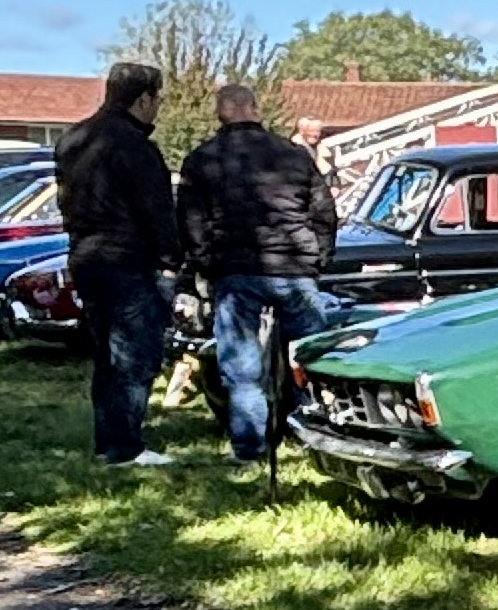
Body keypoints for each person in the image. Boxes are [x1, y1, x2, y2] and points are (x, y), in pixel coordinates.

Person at [172, 82, 337, 461]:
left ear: (220, 113)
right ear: (256, 109)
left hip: (236, 269)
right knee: (308, 359)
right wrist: (319, 257)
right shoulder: (294, 155)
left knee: (241, 367)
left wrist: (205, 264)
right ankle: (314, 440)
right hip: (295, 265)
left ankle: (249, 447)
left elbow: (191, 222)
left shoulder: (202, 159)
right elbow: (324, 211)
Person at [55, 61, 181, 467]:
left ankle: (106, 441)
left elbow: (65, 200)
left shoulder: (73, 139)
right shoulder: (135, 146)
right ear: (142, 99)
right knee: (135, 355)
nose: (158, 107)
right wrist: (171, 261)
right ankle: (125, 447)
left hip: (85, 254)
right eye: (157, 98)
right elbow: (156, 209)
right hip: (129, 258)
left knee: (106, 356)